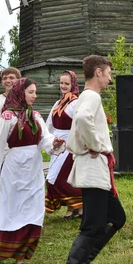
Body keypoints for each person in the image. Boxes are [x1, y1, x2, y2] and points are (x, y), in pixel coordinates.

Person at [0, 78, 64, 264]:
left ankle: (20, 258)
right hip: (13, 169)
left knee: (31, 210)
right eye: (31, 92)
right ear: (20, 93)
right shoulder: (7, 117)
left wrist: (55, 143)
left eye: (35, 92)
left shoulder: (35, 116)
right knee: (9, 210)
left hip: (32, 170)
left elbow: (45, 139)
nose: (35, 96)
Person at [60, 55, 126, 264]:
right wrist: (97, 145)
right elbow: (82, 119)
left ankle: (85, 262)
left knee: (117, 217)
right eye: (108, 72)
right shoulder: (91, 96)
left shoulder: (88, 97)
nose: (110, 77)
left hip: (97, 170)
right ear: (98, 72)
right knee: (92, 226)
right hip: (92, 167)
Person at [45, 70, 83, 220]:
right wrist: (48, 140)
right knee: (55, 178)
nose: (63, 86)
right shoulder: (58, 103)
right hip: (58, 144)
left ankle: (77, 207)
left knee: (62, 178)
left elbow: (80, 124)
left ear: (73, 84)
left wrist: (77, 144)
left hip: (70, 144)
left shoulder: (76, 103)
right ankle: (75, 208)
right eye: (61, 83)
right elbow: (49, 124)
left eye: (66, 83)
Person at [0, 67, 21, 131]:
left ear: (19, 80)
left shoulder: (24, 100)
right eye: (5, 78)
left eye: (11, 78)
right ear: (2, 82)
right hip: (4, 139)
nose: (8, 81)